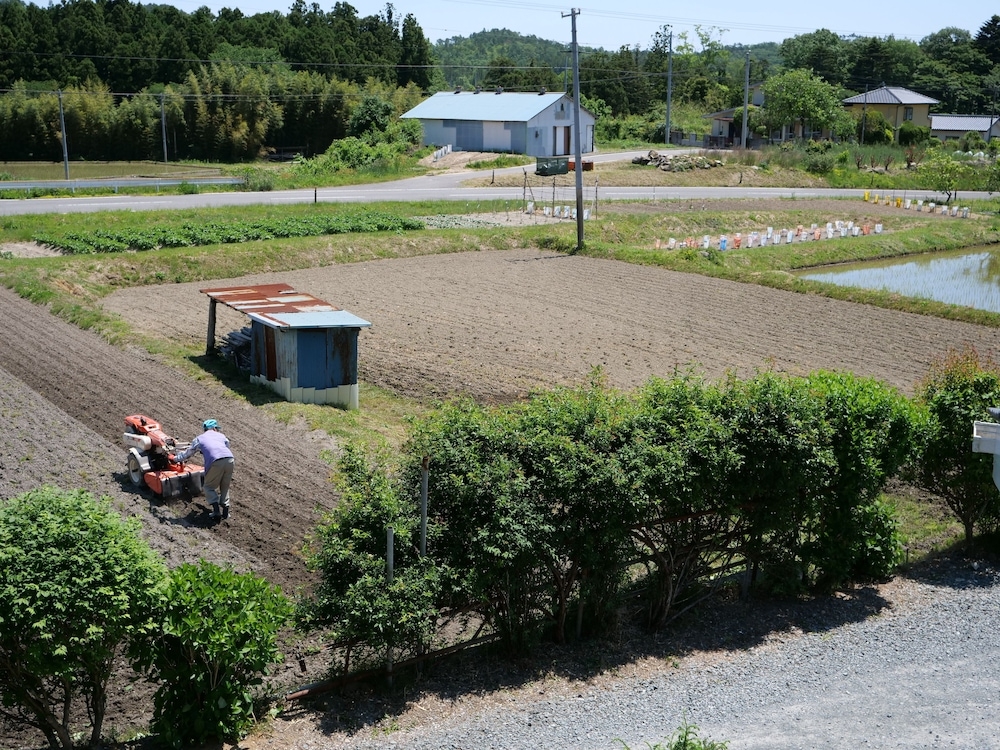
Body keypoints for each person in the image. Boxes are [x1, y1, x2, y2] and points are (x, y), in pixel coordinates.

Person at [174, 419, 234, 520]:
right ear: (215, 428)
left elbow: (188, 454)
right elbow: (226, 446)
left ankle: (216, 512)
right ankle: (226, 513)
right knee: (225, 485)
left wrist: (175, 458)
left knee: (208, 487)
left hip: (215, 461)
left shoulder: (199, 439)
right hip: (230, 460)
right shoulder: (222, 436)